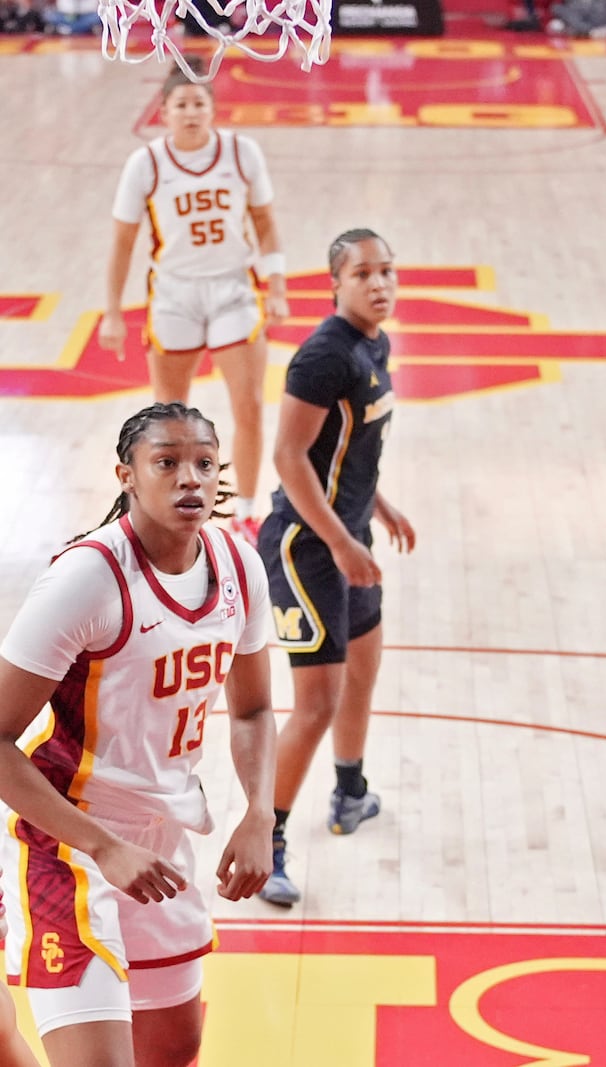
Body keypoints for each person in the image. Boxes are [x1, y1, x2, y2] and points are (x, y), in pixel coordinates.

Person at [0, 402, 276, 1067]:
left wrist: (261, 811)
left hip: (163, 845)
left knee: (174, 1049)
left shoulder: (238, 568)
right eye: (168, 462)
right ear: (127, 474)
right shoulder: (87, 578)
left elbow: (252, 710)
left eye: (205, 463)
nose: (191, 478)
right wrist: (103, 846)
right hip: (67, 843)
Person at [256, 229, 413, 909]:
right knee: (315, 701)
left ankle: (351, 791)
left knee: (363, 670)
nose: (379, 283)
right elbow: (290, 459)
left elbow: (344, 448)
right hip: (304, 546)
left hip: (349, 535)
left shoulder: (373, 343)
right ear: (335, 283)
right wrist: (344, 544)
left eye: (387, 270)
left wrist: (377, 504)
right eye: (363, 273)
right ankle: (266, 846)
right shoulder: (323, 356)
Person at [100, 66, 291, 546]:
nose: (190, 112)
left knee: (247, 407)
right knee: (168, 420)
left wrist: (278, 284)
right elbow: (122, 243)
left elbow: (265, 222)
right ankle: (166, 513)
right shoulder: (144, 164)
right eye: (180, 104)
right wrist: (112, 310)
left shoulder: (241, 152)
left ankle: (247, 512)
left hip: (233, 289)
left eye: (198, 103)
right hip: (174, 293)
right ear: (162, 111)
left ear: (212, 109)